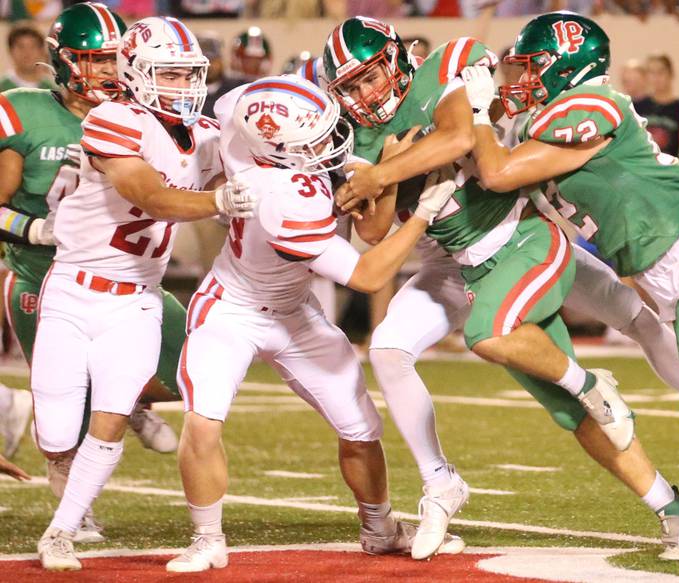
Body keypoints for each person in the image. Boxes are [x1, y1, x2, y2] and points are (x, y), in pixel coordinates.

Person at [325, 16, 679, 561]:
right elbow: (375, 229)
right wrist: (385, 167)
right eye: (351, 87)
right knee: (388, 349)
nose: (364, 94)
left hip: (521, 235)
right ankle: (444, 480)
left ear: (396, 58)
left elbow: (455, 135)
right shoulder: (361, 137)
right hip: (455, 263)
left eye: (370, 77)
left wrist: (385, 174)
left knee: (630, 319)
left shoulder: (445, 65)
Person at [461, 11, 679, 541]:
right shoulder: (546, 115)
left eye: (534, 68)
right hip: (678, 267)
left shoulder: (592, 103)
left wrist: (481, 112)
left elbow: (499, 171)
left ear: (568, 66)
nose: (523, 80)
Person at [167, 75, 464, 572]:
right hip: (231, 310)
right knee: (202, 422)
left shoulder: (245, 122)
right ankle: (206, 538)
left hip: (295, 308)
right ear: (280, 151)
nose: (330, 144)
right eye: (315, 141)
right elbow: (368, 275)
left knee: (361, 427)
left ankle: (380, 529)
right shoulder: (285, 195)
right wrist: (420, 218)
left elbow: (236, 102)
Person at [33, 15, 257, 571]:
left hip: (137, 298)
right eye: (170, 75)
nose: (184, 87)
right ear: (135, 74)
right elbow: (151, 195)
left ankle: (59, 533)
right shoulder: (113, 119)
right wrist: (220, 201)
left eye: (189, 75)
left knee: (106, 419)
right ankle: (70, 472)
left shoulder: (206, 134)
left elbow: (259, 169)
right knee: (57, 431)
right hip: (73, 288)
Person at [0, 2, 192, 544]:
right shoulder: (25, 113)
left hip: (132, 279)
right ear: (63, 62)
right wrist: (35, 231)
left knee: (195, 363)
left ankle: (128, 397)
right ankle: (72, 512)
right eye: (94, 60)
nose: (109, 71)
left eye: (114, 59)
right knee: (66, 417)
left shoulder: (146, 111)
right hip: (47, 279)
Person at [634, 54, 679, 158]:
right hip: (643, 167)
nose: (656, 77)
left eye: (661, 72)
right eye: (652, 72)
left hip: (671, 168)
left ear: (671, 74)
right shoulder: (637, 107)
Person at [0, 23, 56, 92]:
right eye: (21, 46)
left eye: (32, 47)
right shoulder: (2, 88)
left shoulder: (53, 91)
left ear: (42, 50)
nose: (27, 53)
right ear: (10, 50)